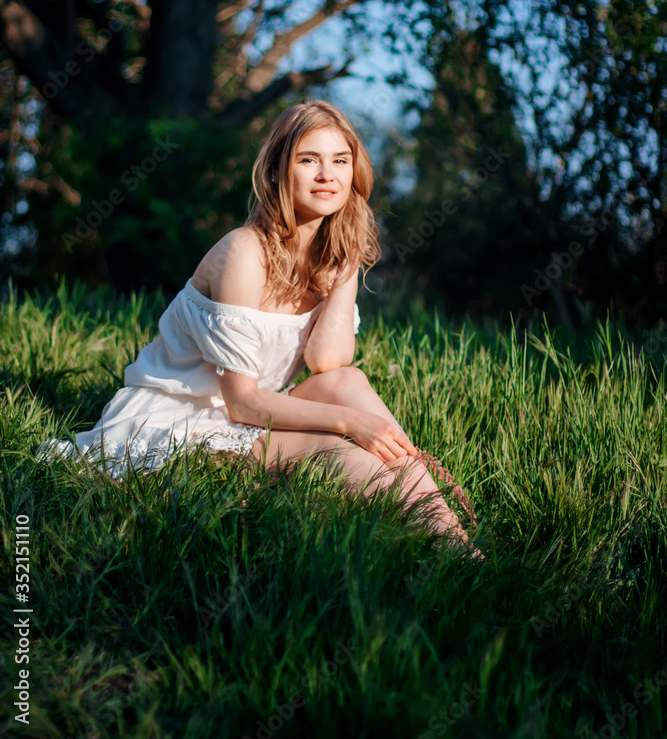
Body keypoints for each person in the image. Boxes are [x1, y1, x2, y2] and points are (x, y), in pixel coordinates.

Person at [38, 99, 482, 559]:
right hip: (180, 422)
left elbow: (328, 364)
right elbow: (243, 401)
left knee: (350, 382)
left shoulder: (328, 257)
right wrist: (353, 423)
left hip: (244, 418)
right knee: (348, 453)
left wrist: (349, 259)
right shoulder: (243, 253)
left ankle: (464, 554)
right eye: (308, 160)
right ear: (276, 172)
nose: (327, 175)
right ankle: (436, 562)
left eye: (340, 161)